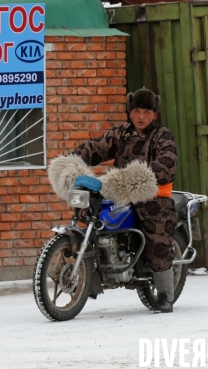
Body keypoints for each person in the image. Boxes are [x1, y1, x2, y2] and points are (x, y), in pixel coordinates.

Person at [71, 88, 178, 313]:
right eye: (137, 111)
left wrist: (141, 175)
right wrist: (73, 159)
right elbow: (97, 147)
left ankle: (166, 294)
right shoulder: (122, 135)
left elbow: (168, 162)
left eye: (146, 112)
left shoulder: (162, 136)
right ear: (129, 113)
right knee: (94, 216)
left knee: (157, 236)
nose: (141, 116)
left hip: (153, 196)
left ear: (155, 114)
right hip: (121, 192)